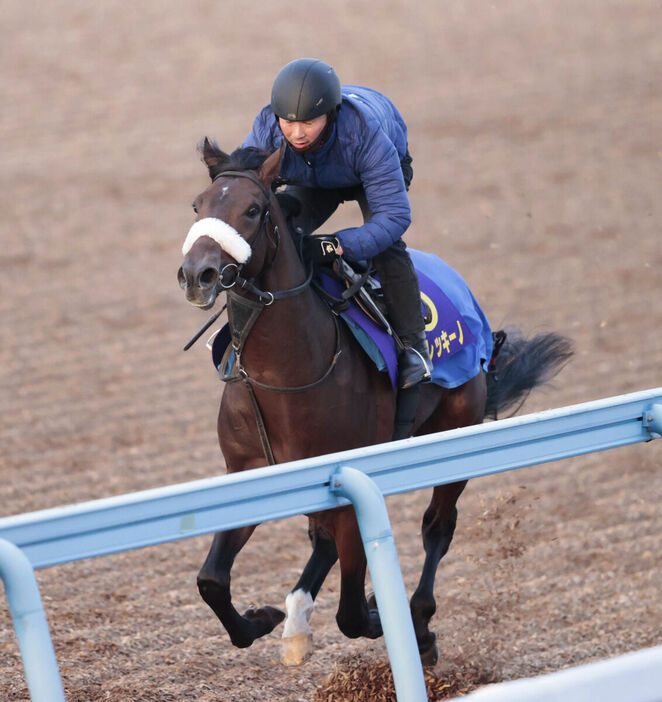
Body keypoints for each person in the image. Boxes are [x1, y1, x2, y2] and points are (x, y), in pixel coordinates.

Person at [242, 57, 432, 390]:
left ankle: (415, 348)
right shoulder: (267, 128)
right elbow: (247, 189)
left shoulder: (366, 133)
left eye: (309, 122)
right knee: (276, 233)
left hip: (371, 169)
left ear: (330, 113)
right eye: (288, 121)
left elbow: (395, 216)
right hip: (315, 177)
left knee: (387, 246)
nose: (296, 133)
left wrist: (341, 244)